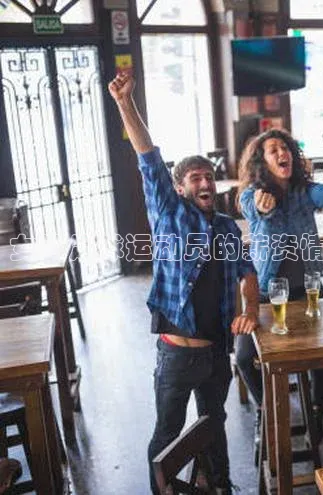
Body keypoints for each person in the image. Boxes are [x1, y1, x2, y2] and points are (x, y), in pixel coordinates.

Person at [108, 74, 260, 494]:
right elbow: (147, 155)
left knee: (215, 426)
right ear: (178, 187)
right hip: (177, 354)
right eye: (194, 177)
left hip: (215, 353)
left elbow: (249, 272)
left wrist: (250, 310)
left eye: (208, 176)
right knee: (168, 435)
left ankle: (223, 487)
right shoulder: (170, 215)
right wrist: (126, 103)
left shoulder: (228, 228)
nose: (205, 182)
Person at [236, 129, 323, 428]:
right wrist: (260, 204)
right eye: (273, 150)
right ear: (262, 161)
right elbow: (251, 206)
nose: (282, 153)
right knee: (245, 356)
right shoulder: (252, 193)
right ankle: (265, 410)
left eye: (285, 148)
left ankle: (318, 404)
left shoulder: (302, 191)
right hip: (267, 294)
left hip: (307, 290)